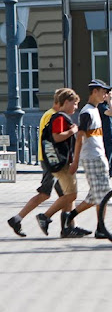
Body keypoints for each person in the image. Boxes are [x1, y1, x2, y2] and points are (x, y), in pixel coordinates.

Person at [7, 89, 77, 237]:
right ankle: (18, 219)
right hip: (51, 161)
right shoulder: (52, 116)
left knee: (66, 193)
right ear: (60, 102)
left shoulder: (54, 115)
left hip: (51, 160)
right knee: (47, 193)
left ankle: (69, 226)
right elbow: (50, 141)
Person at [61, 80, 112, 238]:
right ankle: (99, 228)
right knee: (103, 193)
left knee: (98, 193)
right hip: (92, 157)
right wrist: (76, 161)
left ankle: (73, 217)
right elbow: (80, 138)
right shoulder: (87, 112)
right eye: (103, 92)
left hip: (98, 155)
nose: (105, 95)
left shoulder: (95, 110)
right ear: (95, 92)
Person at [34, 89, 85, 238]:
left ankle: (67, 228)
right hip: (61, 163)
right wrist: (72, 131)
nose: (75, 108)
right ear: (67, 102)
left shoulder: (61, 117)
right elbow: (56, 137)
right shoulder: (59, 118)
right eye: (74, 104)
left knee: (69, 195)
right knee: (71, 195)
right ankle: (45, 216)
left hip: (61, 161)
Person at [97, 87, 112, 176]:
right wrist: (110, 101)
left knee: (111, 167)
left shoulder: (108, 105)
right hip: (106, 138)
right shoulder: (101, 106)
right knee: (106, 165)